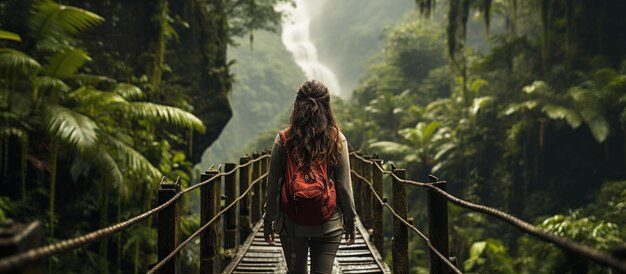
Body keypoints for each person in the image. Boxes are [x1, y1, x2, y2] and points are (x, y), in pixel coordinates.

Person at [263, 80, 357, 274]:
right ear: (327, 106)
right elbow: (343, 186)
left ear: (297, 106)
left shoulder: (283, 139)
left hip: (292, 224)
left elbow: (273, 186)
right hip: (328, 224)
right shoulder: (337, 139)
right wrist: (350, 221)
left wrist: (268, 220)